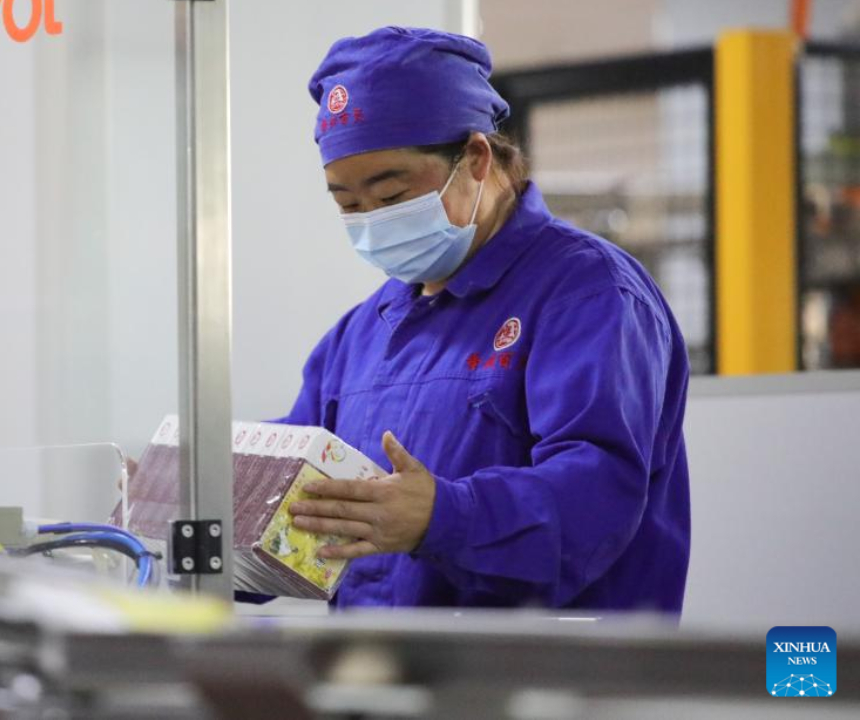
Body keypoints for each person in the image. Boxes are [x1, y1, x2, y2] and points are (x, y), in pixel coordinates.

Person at [279, 27, 691, 613]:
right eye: (347, 205)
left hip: (548, 681)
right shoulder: (360, 337)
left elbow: (596, 496)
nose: (370, 221)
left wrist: (443, 516)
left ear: (475, 157)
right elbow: (299, 498)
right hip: (383, 675)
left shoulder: (587, 295)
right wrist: (197, 493)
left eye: (392, 196)